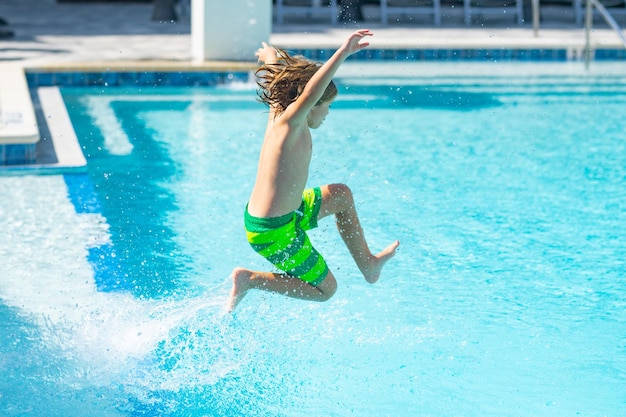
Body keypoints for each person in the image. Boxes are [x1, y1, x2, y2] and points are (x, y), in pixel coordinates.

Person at [227, 29, 399, 312]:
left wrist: (270, 57)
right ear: (310, 105)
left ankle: (368, 265)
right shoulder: (289, 125)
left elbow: (279, 80)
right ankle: (250, 279)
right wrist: (342, 53)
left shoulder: (280, 112)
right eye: (326, 105)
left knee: (341, 195)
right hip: (273, 231)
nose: (328, 113)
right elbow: (309, 91)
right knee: (325, 290)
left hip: (287, 214)